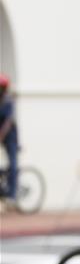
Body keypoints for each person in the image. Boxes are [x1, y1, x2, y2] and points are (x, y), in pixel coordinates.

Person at [0, 73, 19, 205]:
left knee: (13, 164)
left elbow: (8, 122)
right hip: (1, 135)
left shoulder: (8, 100)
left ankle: (12, 193)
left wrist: (1, 135)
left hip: (10, 137)